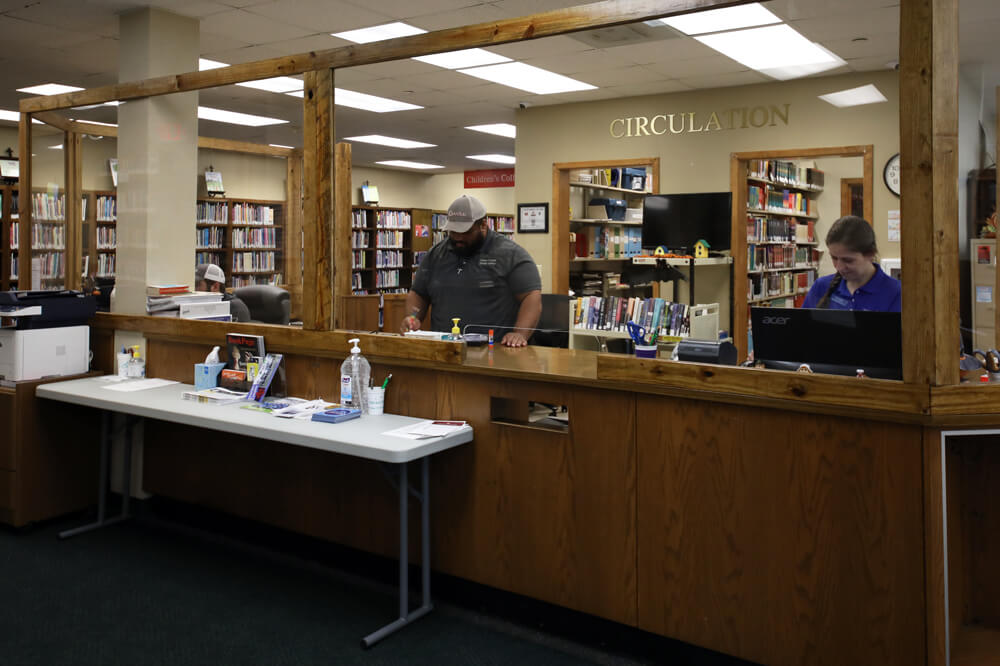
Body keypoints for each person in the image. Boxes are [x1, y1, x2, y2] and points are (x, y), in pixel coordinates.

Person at [401, 195, 542, 347]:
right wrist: (412, 317)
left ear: (483, 225)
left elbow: (531, 297)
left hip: (494, 350)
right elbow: (419, 293)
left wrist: (520, 333)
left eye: (466, 232)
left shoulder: (510, 255)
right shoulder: (436, 255)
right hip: (446, 349)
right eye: (454, 232)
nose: (459, 238)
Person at [801, 215, 901, 311]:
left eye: (848, 260)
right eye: (834, 258)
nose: (839, 267)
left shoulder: (897, 293)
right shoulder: (821, 286)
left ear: (870, 254)